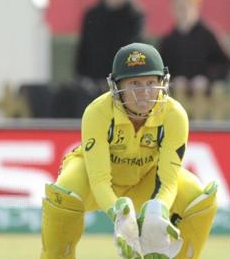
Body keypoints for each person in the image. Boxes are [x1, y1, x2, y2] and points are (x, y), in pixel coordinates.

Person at [41, 43, 218, 259]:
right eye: (135, 83)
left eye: (151, 83)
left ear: (162, 83)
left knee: (197, 199)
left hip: (145, 179)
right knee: (64, 193)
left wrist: (158, 209)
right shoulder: (97, 112)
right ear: (116, 86)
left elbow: (169, 180)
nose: (144, 93)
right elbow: (99, 180)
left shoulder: (174, 115)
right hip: (93, 182)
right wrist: (118, 213)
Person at [75, 0, 146, 85]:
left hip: (122, 85)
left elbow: (133, 55)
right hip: (93, 84)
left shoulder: (135, 16)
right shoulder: (92, 16)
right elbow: (83, 54)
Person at [158, 0, 230, 94]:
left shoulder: (208, 35)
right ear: (172, 8)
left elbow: (226, 64)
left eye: (186, 5)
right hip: (177, 101)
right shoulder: (168, 40)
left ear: (196, 6)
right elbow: (161, 70)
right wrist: (173, 80)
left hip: (206, 102)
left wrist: (207, 79)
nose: (183, 10)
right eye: (178, 6)